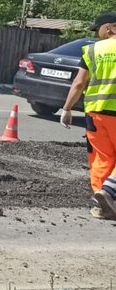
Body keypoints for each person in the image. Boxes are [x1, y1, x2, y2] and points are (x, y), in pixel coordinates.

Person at [61, 12, 116, 220]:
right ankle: (108, 193)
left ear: (110, 27)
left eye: (98, 29)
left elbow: (78, 83)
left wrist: (66, 108)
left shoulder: (91, 50)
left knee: (101, 158)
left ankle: (101, 205)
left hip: (95, 114)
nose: (97, 33)